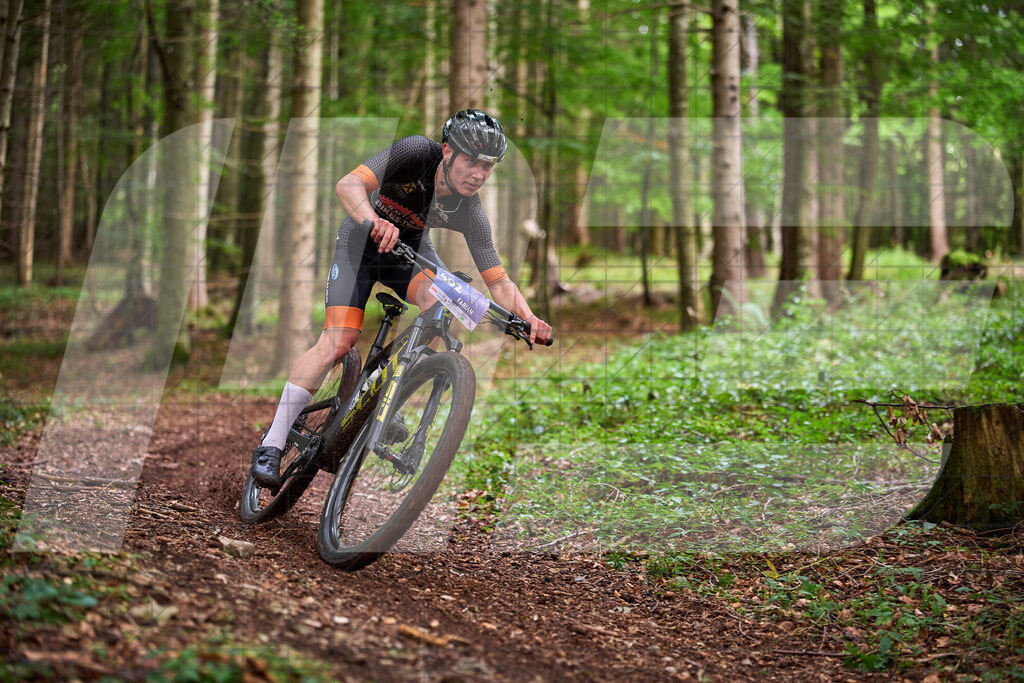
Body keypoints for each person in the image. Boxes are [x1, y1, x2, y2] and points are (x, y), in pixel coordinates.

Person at [251, 109, 553, 488]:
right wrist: (373, 220)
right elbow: (348, 185)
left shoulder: (471, 211)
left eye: (488, 166)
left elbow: (499, 281)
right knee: (338, 342)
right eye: (472, 161)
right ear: (447, 151)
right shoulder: (415, 152)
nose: (479, 173)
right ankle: (272, 444)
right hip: (359, 246)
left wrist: (529, 318)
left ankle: (382, 392)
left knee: (444, 300)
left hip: (408, 255)